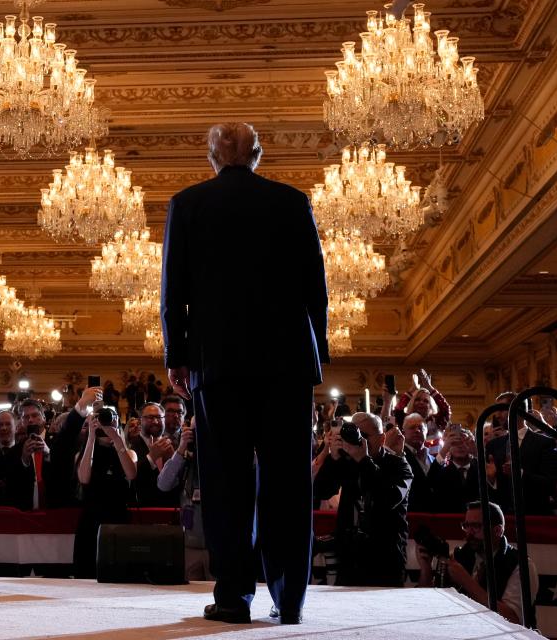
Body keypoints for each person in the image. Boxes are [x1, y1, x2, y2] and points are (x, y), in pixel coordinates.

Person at [161, 122, 329, 624]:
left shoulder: (187, 204)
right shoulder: (292, 201)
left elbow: (174, 289)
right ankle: (290, 599)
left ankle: (234, 597)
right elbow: (314, 288)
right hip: (287, 363)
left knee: (226, 482)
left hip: (218, 362)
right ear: (257, 154)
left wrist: (177, 355)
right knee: (289, 482)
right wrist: (314, 353)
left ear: (211, 156)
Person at [313, 412, 414, 587]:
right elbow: (321, 491)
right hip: (349, 558)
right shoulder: (346, 461)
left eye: (365, 436)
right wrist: (334, 459)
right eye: (355, 434)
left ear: (382, 439)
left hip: (385, 560)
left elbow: (388, 499)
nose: (359, 441)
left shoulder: (399, 466)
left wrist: (363, 460)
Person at [417, 501, 538, 624]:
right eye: (466, 526)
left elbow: (513, 620)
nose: (469, 533)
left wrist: (467, 582)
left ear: (497, 530)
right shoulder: (460, 555)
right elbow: (430, 606)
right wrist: (426, 569)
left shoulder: (520, 566)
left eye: (476, 526)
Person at [73, 406, 138, 578]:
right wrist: (91, 438)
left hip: (118, 518)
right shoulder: (84, 452)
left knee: (118, 574)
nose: (106, 421)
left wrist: (117, 438)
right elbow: (84, 478)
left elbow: (131, 473)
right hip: (91, 520)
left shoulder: (129, 452)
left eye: (110, 416)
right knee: (87, 574)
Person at [157, 419, 210, 579]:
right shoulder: (184, 460)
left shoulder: (222, 459)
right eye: (194, 431)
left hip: (218, 547)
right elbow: (163, 484)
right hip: (189, 545)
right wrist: (180, 450)